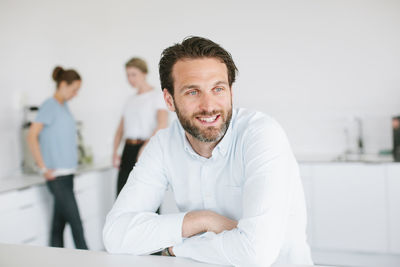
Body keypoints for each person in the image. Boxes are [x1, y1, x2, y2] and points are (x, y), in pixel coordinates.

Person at [103, 37, 313, 267]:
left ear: (231, 92)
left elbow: (256, 254)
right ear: (169, 100)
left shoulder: (261, 134)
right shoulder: (164, 144)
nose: (209, 105)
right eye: (192, 92)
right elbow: (115, 235)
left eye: (218, 89)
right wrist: (202, 220)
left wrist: (177, 250)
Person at [27, 66, 88, 250]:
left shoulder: (64, 106)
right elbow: (31, 135)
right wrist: (43, 168)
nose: (75, 94)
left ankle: (55, 259)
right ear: (63, 84)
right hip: (57, 176)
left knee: (58, 225)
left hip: (67, 173)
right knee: (76, 224)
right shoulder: (49, 105)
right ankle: (90, 260)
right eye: (74, 89)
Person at [112, 57, 168, 196]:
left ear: (144, 73)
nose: (130, 79)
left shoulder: (157, 96)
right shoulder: (130, 100)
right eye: (128, 75)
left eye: (133, 74)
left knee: (147, 195)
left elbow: (162, 124)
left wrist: (145, 146)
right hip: (128, 150)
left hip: (147, 149)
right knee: (122, 195)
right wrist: (114, 152)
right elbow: (120, 129)